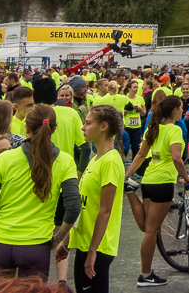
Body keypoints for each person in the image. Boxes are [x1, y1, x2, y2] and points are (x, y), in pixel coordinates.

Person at [0, 104, 81, 282]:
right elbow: (73, 206)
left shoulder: (5, 158)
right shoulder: (65, 161)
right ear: (54, 129)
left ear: (26, 128)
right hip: (36, 245)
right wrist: (59, 238)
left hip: (0, 243)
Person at [124, 95, 189, 287]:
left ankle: (130, 191)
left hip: (148, 180)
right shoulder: (175, 130)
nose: (182, 110)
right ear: (175, 110)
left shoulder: (153, 128)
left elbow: (140, 154)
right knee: (151, 231)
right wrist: (187, 179)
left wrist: (127, 176)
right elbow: (177, 158)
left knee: (147, 227)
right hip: (163, 183)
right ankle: (145, 275)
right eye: (181, 107)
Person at [56, 105, 124, 293]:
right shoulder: (95, 159)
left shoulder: (110, 161)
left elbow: (105, 210)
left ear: (103, 126)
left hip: (98, 247)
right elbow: (84, 205)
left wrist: (93, 250)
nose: (83, 128)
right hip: (85, 243)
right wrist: (67, 240)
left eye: (87, 123)